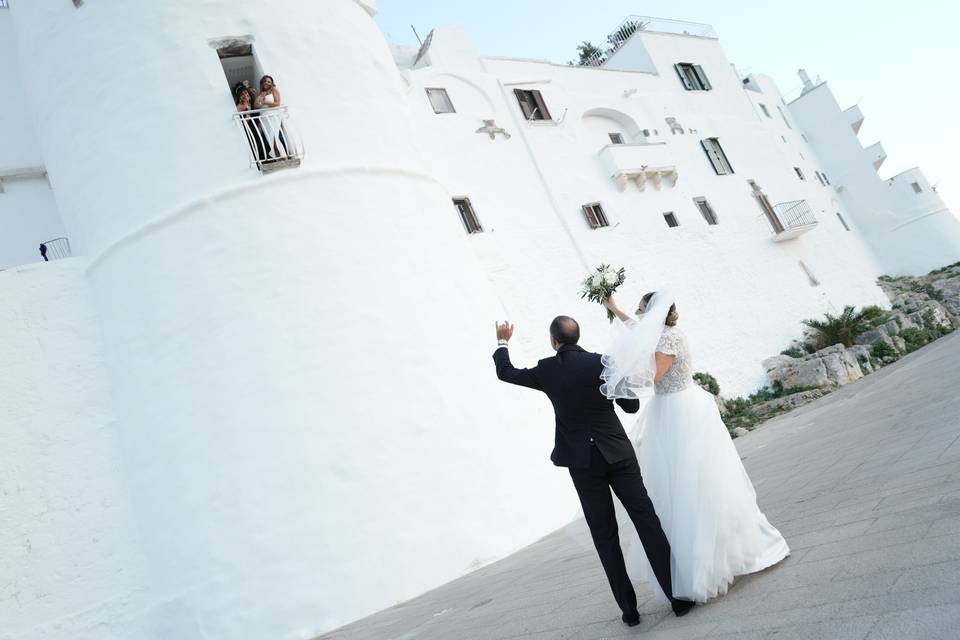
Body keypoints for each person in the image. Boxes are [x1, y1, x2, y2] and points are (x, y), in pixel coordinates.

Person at [492, 317, 695, 626]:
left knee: (605, 536)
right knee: (646, 521)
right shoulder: (604, 362)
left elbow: (506, 373)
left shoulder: (547, 369)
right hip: (618, 455)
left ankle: (629, 611)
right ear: (578, 337)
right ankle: (678, 599)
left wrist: (502, 341)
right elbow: (630, 407)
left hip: (582, 463)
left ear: (553, 341)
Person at [602, 291, 790, 603]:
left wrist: (619, 374)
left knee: (697, 481)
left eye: (641, 309)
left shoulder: (669, 339)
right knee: (673, 486)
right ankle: (693, 559)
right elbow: (638, 332)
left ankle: (717, 559)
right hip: (667, 411)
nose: (638, 313)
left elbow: (654, 376)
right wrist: (616, 309)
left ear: (655, 312)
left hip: (682, 411)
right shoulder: (658, 334)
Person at [254, 74, 287, 159]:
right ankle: (278, 158)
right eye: (265, 81)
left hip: (273, 116)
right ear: (262, 83)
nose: (266, 83)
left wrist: (265, 103)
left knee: (274, 137)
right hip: (264, 119)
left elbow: (277, 103)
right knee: (269, 139)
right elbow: (255, 107)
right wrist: (259, 99)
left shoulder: (274, 90)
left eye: (269, 81)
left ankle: (284, 157)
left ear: (271, 83)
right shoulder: (260, 93)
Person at [235, 87, 269, 163]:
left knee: (263, 146)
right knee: (256, 147)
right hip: (249, 130)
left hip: (257, 128)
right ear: (239, 97)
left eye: (246, 93)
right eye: (242, 94)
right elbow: (242, 122)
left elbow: (259, 105)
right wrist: (248, 112)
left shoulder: (252, 104)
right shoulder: (240, 106)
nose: (245, 95)